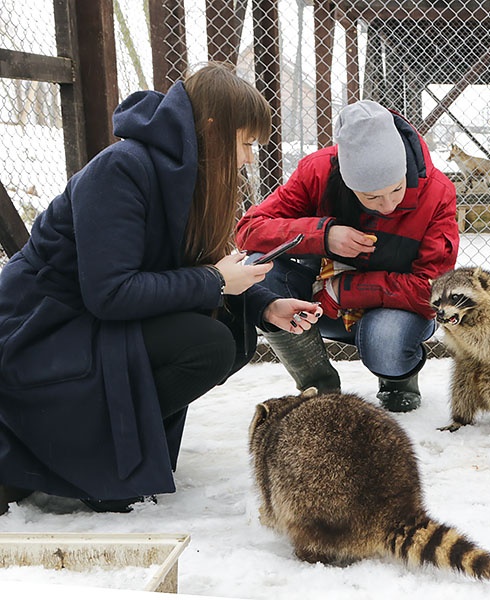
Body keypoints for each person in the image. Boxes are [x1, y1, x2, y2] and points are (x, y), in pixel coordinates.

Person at [0, 63, 322, 515]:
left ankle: (113, 455)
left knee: (231, 329)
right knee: (207, 343)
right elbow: (110, 293)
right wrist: (214, 281)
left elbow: (195, 269)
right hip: (44, 327)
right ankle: (99, 456)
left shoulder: (187, 174)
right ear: (211, 129)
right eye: (246, 142)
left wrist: (266, 305)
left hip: (92, 321)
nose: (250, 156)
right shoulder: (120, 170)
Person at [235, 100, 459, 412]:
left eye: (397, 189)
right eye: (371, 197)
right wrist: (322, 236)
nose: (388, 205)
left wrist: (344, 290)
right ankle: (320, 388)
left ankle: (398, 381)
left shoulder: (437, 191)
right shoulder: (317, 171)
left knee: (384, 341)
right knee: (258, 268)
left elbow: (434, 291)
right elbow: (248, 230)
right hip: (320, 302)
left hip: (395, 312)